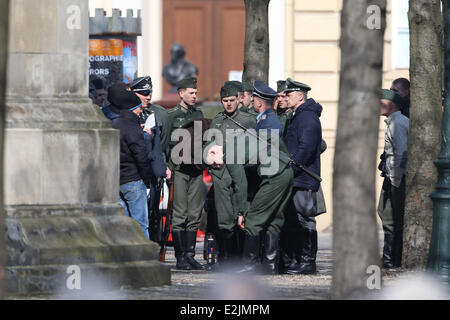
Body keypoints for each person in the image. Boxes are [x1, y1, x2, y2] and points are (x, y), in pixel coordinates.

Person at [230, 80, 293, 275]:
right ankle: (269, 264)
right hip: (280, 173)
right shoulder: (267, 119)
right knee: (274, 218)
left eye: (253, 98)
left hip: (274, 174)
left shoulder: (267, 122)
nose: (251, 101)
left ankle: (250, 265)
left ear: (258, 103)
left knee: (254, 218)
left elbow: (258, 152)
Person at [208, 84, 257, 267]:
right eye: (225, 101)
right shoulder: (217, 120)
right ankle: (226, 260)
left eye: (231, 100)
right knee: (224, 218)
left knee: (242, 215)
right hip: (221, 174)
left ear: (238, 99)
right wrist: (210, 156)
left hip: (242, 175)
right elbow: (209, 144)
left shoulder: (248, 120)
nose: (228, 104)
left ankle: (241, 260)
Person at [283, 78, 323, 275]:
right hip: (297, 176)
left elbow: (305, 148)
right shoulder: (298, 115)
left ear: (300, 96)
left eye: (289, 95)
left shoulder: (306, 117)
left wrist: (291, 170)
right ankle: (299, 260)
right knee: (296, 219)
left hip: (303, 177)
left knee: (305, 219)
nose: (286, 98)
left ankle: (307, 262)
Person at [167, 77, 205, 270]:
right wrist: (167, 167)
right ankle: (181, 256)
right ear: (181, 93)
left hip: (196, 170)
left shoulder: (199, 113)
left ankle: (190, 255)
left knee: (194, 213)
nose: (194, 96)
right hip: (179, 169)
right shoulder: (171, 115)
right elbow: (165, 144)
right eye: (191, 93)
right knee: (180, 213)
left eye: (196, 93)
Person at [110, 87, 153, 238]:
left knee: (125, 226)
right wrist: (147, 179)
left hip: (117, 181)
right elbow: (141, 157)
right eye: (139, 108)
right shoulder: (133, 128)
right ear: (133, 108)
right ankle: (145, 258)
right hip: (133, 181)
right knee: (141, 225)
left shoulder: (115, 125)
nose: (141, 111)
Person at [378, 89, 409, 269]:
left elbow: (401, 154)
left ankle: (392, 258)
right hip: (393, 176)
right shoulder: (394, 121)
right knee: (385, 212)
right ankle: (389, 256)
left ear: (390, 104)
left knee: (393, 217)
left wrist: (395, 181)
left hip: (397, 178)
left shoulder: (397, 123)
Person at [129, 76, 171, 162]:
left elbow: (164, 142)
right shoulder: (125, 112)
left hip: (154, 161)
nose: (148, 97)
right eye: (144, 94)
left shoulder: (160, 113)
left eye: (150, 93)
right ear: (133, 93)